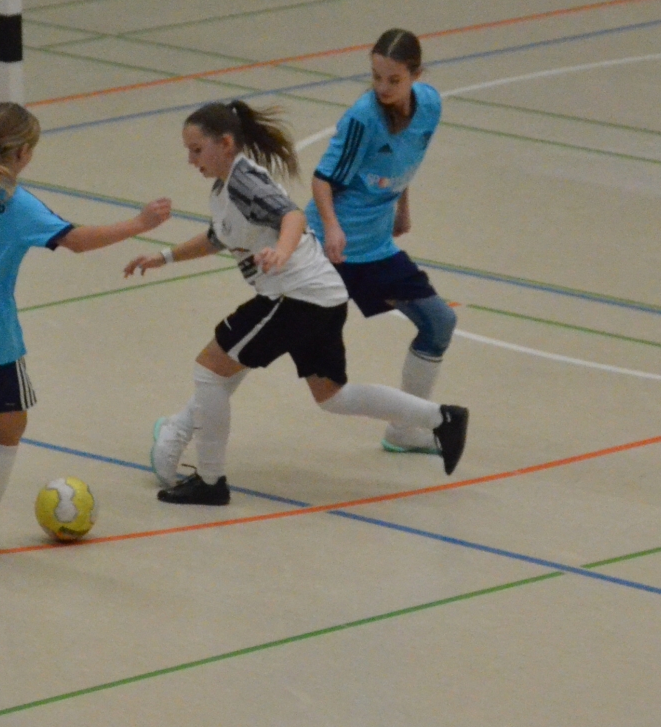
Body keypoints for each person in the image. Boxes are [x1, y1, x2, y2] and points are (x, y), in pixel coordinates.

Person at [126, 100, 468, 506]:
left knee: (209, 370)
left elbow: (292, 217)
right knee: (333, 396)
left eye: (197, 150)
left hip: (294, 297)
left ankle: (211, 481)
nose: (190, 160)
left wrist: (282, 252)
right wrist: (164, 257)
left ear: (226, 144)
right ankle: (441, 417)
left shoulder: (245, 182)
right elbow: (219, 238)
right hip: (321, 297)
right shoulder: (225, 189)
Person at [0, 103, 171, 559]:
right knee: (9, 427)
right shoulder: (15, 203)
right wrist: (140, 224)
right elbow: (76, 240)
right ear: (22, 152)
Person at [307, 28, 457, 454]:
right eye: (376, 77)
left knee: (439, 323)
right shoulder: (363, 118)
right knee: (268, 340)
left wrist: (402, 207)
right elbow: (322, 179)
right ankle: (188, 419)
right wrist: (332, 228)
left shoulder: (430, 106)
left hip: (374, 250)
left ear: (416, 75)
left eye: (394, 79)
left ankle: (405, 430)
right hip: (328, 251)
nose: (383, 88)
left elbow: (406, 161)